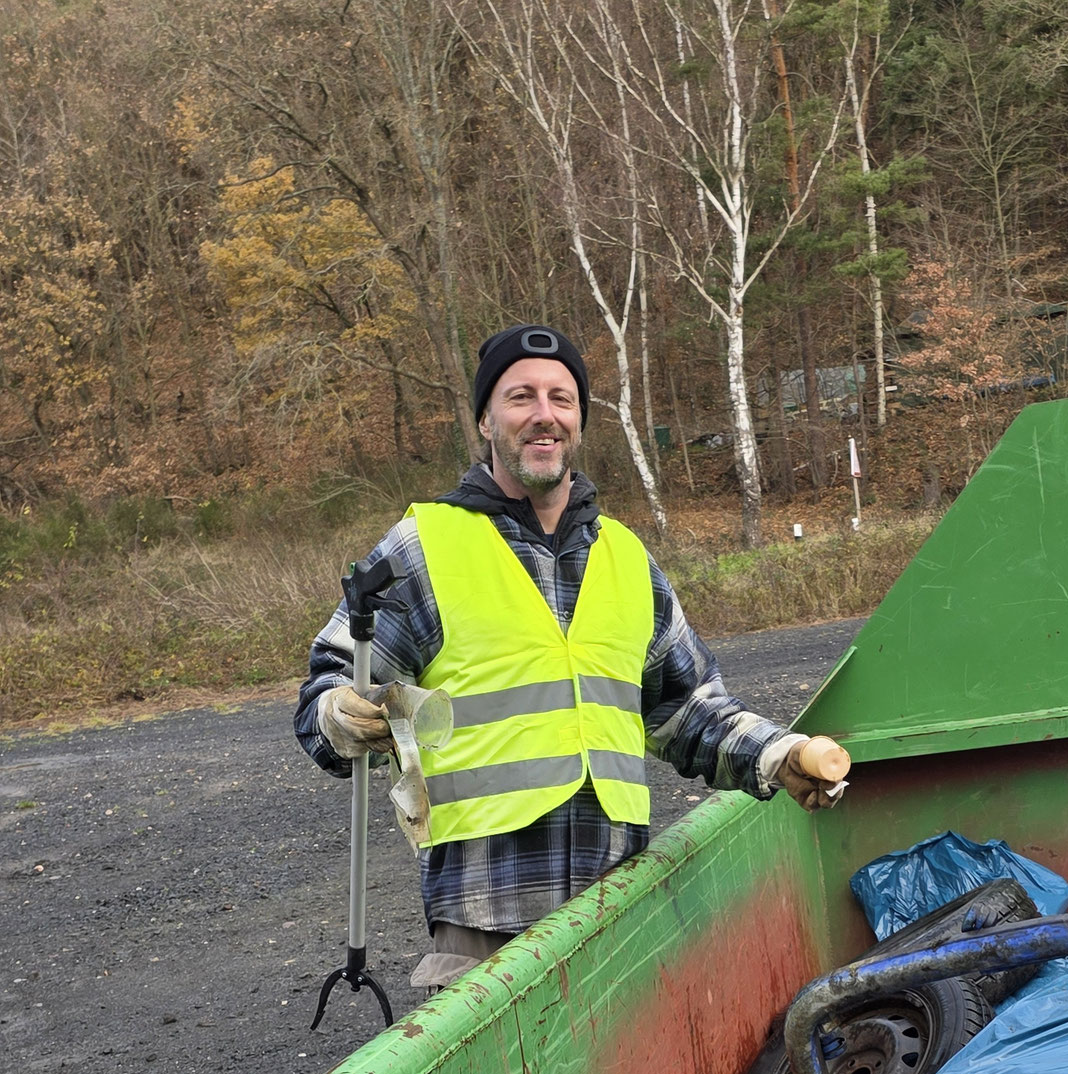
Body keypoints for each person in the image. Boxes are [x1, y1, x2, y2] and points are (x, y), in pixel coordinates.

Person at [296, 321, 850, 989]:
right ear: (485, 421)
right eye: (520, 397)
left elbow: (690, 711)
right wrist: (338, 714)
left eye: (561, 398)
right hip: (485, 922)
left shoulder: (626, 559)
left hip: (616, 913)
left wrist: (777, 755)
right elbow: (331, 689)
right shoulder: (423, 549)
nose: (543, 415)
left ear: (580, 420)